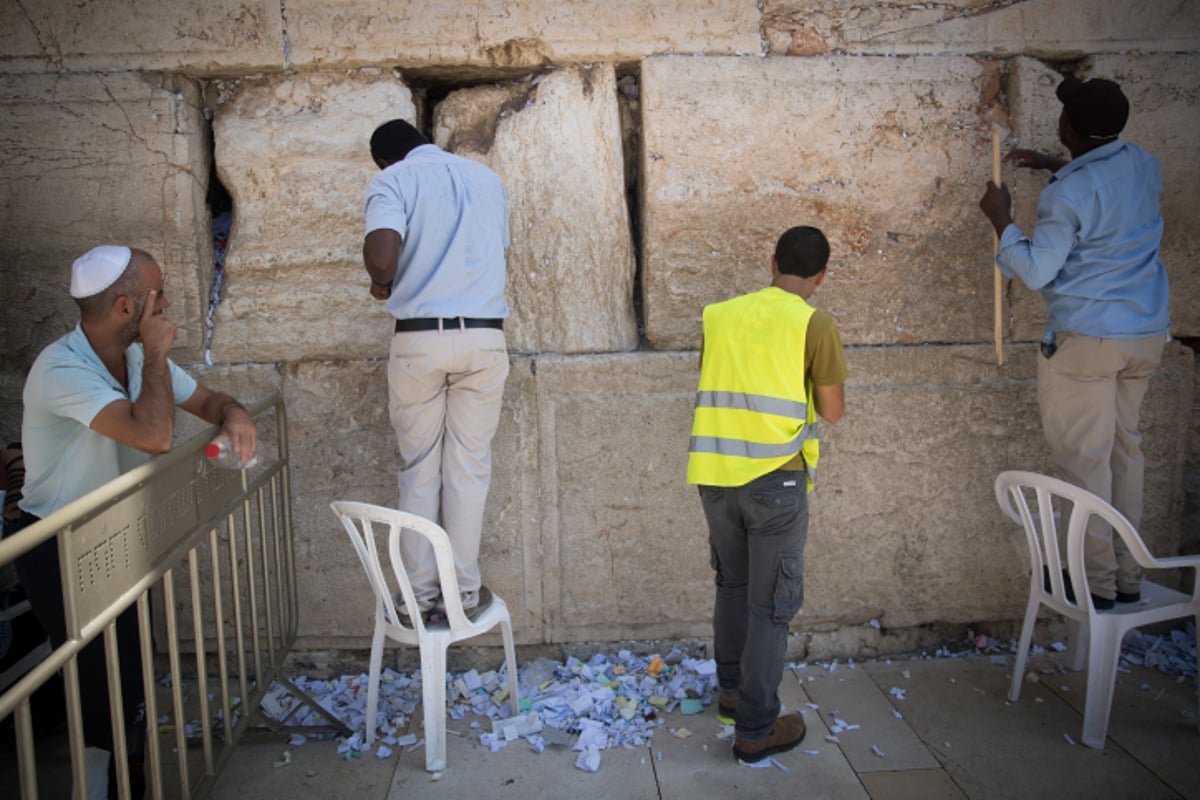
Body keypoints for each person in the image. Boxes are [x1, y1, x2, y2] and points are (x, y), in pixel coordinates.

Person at [6, 244, 258, 796]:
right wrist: (160, 357)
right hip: (61, 543)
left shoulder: (138, 357)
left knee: (128, 676)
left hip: (116, 534)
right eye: (158, 296)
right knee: (96, 684)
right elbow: (153, 434)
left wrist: (235, 414)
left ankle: (126, 778)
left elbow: (209, 399)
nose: (168, 305)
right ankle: (98, 782)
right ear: (126, 308)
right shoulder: (62, 367)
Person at [979, 77, 1170, 610]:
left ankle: (1096, 584)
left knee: (1086, 463)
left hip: (1088, 340)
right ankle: (1128, 576)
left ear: (1069, 129)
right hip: (1146, 334)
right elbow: (1105, 192)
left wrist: (1003, 222)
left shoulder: (1069, 194)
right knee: (1124, 454)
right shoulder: (1142, 163)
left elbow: (1037, 270)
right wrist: (1055, 164)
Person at [686, 226, 848, 763]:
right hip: (775, 482)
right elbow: (832, 410)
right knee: (770, 608)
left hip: (715, 476)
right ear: (822, 276)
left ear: (771, 260)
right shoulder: (815, 323)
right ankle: (755, 729)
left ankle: (732, 696)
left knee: (731, 587)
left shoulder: (718, 315)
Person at [361, 119, 510, 625]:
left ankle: (419, 600)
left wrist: (383, 283)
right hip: (486, 338)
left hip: (420, 339)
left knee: (420, 469)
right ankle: (464, 595)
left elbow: (383, 259)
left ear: (387, 159)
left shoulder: (393, 180)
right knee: (469, 468)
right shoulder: (487, 180)